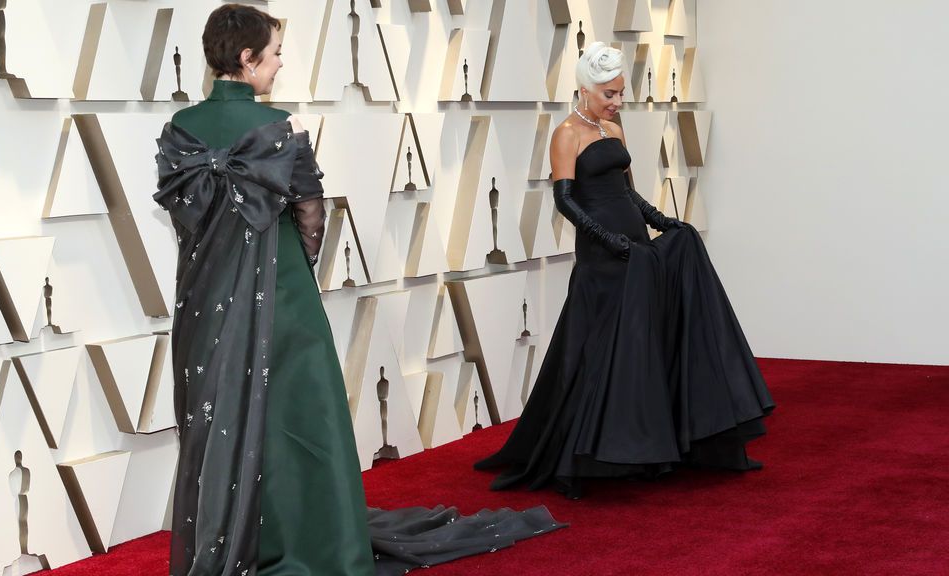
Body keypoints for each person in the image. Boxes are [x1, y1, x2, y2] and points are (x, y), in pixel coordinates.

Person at [154, 6, 562, 575]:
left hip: (206, 302)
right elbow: (311, 216)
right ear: (246, 60)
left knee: (221, 414)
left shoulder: (180, 131)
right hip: (283, 292)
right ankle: (310, 540)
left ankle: (233, 538)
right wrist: (301, 260)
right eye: (272, 55)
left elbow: (188, 218)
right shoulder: (280, 129)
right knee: (301, 416)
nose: (278, 65)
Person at [475, 42, 775, 499]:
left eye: (620, 93)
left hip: (634, 247)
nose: (616, 102)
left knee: (640, 343)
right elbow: (564, 200)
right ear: (584, 90)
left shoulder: (614, 128)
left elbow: (627, 192)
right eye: (608, 94)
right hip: (602, 255)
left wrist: (660, 221)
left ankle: (650, 444)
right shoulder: (567, 134)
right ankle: (589, 454)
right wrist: (605, 239)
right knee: (599, 350)